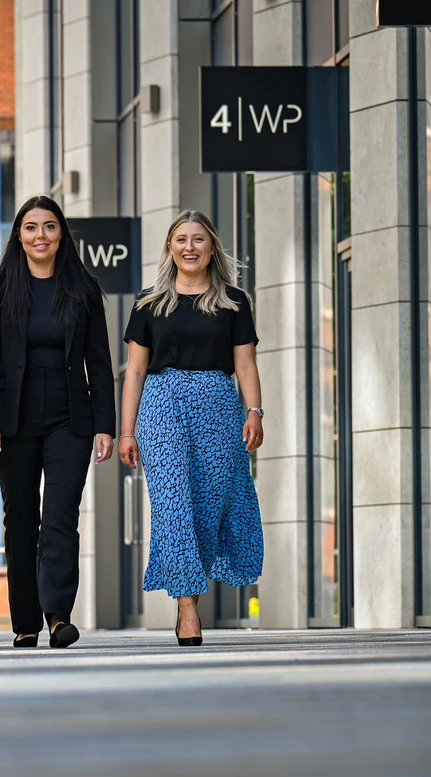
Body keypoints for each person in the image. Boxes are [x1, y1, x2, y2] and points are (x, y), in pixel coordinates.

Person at [0, 196, 116, 649]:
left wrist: (105, 424)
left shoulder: (83, 287)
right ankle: (25, 622)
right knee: (21, 517)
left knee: (60, 516)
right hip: (11, 418)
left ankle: (57, 615)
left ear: (61, 235)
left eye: (49, 227)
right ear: (19, 234)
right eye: (32, 227)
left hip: (70, 417)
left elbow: (100, 360)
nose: (41, 236)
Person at [118, 209, 264, 646]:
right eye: (181, 239)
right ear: (169, 247)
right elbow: (134, 373)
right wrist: (127, 431)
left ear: (212, 246)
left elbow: (245, 365)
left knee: (208, 505)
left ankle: (188, 595)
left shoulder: (234, 301)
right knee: (173, 504)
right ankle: (187, 609)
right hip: (161, 408)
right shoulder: (148, 302)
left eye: (198, 239)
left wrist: (254, 411)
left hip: (218, 408)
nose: (189, 247)